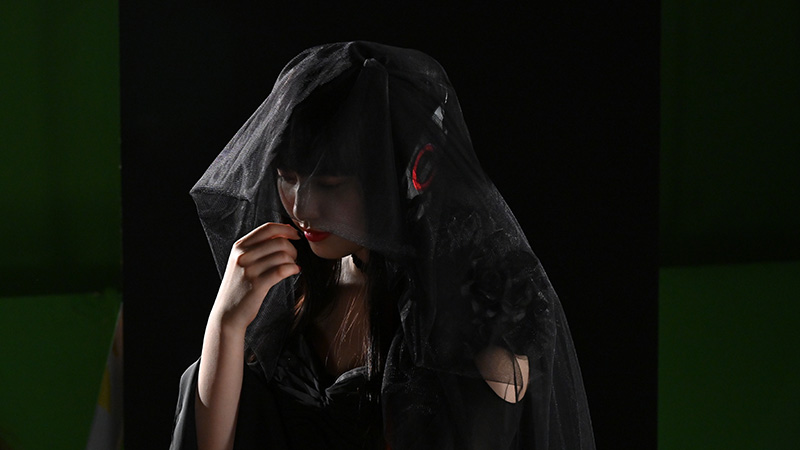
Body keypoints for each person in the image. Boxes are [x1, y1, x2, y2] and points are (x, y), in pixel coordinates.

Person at [170, 41, 595, 450]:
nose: (301, 207)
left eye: (330, 184)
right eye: (287, 177)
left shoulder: (477, 314)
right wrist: (225, 323)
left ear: (402, 177)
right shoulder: (289, 287)